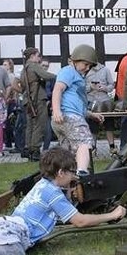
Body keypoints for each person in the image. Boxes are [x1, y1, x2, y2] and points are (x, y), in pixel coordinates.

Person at [51, 45, 104, 176]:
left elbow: (77, 105)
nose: (87, 68)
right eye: (85, 64)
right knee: (84, 142)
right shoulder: (68, 71)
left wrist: (91, 115)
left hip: (66, 117)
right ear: (75, 60)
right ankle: (82, 172)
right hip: (69, 117)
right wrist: (56, 110)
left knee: (68, 150)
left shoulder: (78, 78)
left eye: (90, 66)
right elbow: (57, 90)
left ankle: (67, 176)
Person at [20, 47, 56, 161]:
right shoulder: (33, 66)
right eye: (37, 55)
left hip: (28, 98)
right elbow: (45, 75)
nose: (39, 58)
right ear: (32, 56)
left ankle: (29, 148)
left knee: (30, 125)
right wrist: (59, 76)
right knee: (39, 124)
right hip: (37, 97)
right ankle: (35, 150)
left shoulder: (24, 68)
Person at [85, 60, 116, 154]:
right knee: (92, 125)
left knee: (109, 124)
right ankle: (93, 148)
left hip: (104, 101)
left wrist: (104, 88)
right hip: (91, 100)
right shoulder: (85, 70)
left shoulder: (105, 70)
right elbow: (82, 87)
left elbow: (111, 85)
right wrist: (91, 87)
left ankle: (112, 147)